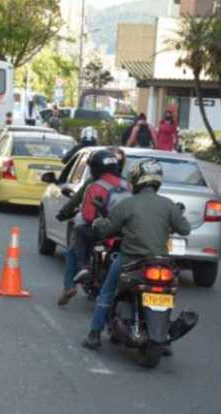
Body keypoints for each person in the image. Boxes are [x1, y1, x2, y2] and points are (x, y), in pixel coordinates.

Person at [82, 158, 191, 349]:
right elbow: (185, 229)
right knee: (168, 294)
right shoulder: (168, 205)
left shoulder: (127, 204)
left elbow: (107, 230)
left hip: (130, 260)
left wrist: (99, 224)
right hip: (161, 262)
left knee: (106, 292)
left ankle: (94, 334)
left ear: (136, 179)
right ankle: (165, 341)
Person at [55, 149, 128, 306]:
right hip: (126, 231)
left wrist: (63, 214)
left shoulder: (95, 184)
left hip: (103, 230)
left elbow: (87, 215)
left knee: (77, 237)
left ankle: (75, 279)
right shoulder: (128, 185)